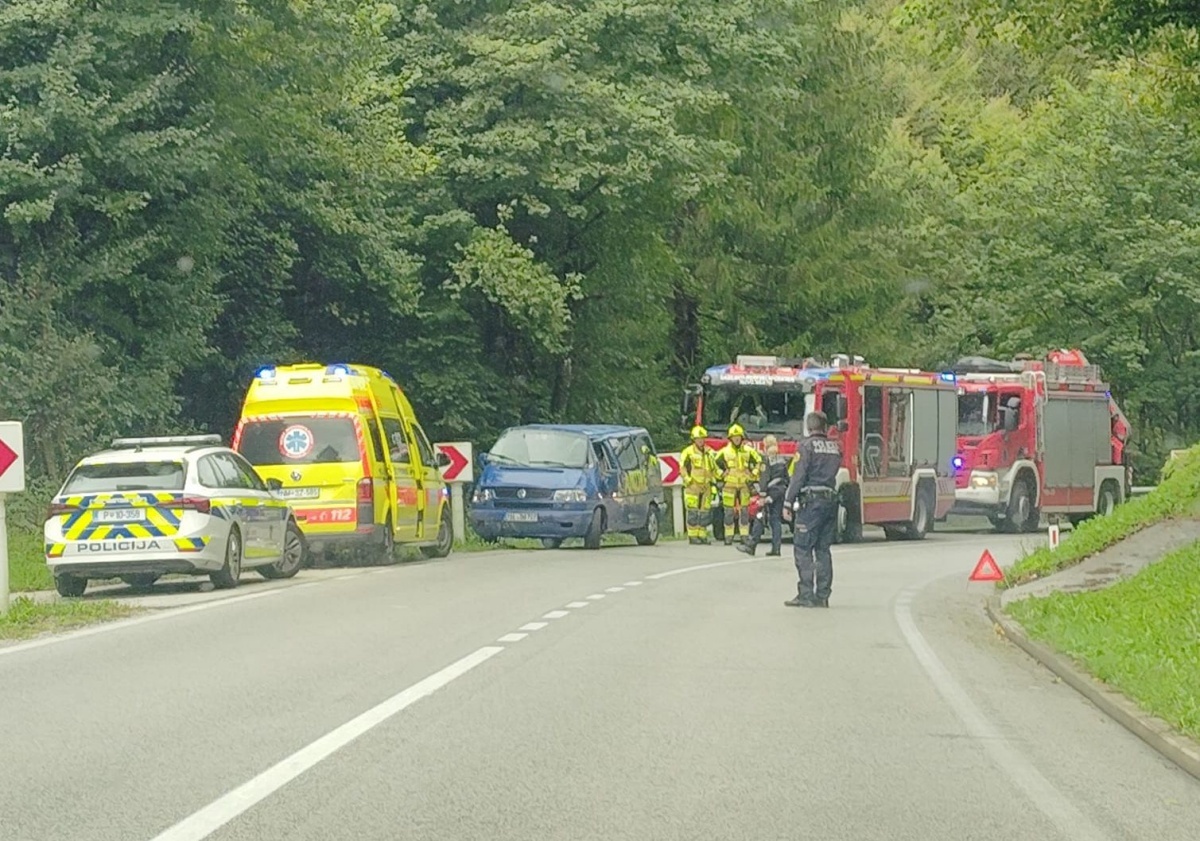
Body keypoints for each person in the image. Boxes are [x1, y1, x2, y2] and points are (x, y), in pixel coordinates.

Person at [782, 411, 842, 608]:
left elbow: (798, 476)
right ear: (825, 427)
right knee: (823, 549)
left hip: (811, 503)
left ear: (808, 427)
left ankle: (806, 593)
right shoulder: (835, 447)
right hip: (830, 501)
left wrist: (788, 502)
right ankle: (823, 595)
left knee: (803, 547)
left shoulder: (806, 446)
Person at [735, 435, 789, 557]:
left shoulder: (766, 460)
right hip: (780, 494)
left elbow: (764, 479)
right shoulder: (782, 460)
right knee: (776, 520)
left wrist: (763, 497)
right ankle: (776, 548)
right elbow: (787, 478)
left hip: (769, 495)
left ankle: (751, 545)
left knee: (759, 517)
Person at [715, 423, 763, 546]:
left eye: (739, 437)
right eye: (734, 437)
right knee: (728, 512)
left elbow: (759, 461)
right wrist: (722, 474)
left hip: (744, 485)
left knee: (745, 512)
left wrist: (753, 474)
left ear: (742, 438)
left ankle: (744, 535)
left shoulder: (749, 451)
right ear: (730, 438)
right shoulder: (723, 452)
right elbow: (713, 464)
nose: (737, 439)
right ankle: (728, 536)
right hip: (729, 485)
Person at [680, 425, 717, 545]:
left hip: (706, 487)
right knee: (693, 512)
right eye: (698, 438)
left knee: (705, 512)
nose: (701, 440)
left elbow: (715, 467)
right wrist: (688, 480)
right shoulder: (688, 452)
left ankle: (702, 535)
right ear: (693, 439)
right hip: (693, 486)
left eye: (702, 438)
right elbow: (683, 468)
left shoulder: (709, 452)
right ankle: (692, 536)